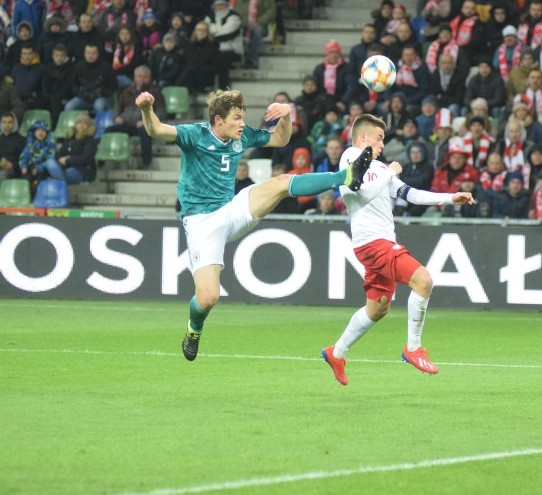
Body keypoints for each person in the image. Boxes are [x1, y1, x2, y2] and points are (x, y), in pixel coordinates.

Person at [136, 88, 373, 361]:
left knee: (281, 182)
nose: (241, 124)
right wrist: (146, 108)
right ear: (218, 120)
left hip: (231, 209)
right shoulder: (194, 135)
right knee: (208, 297)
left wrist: (286, 116)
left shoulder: (243, 134)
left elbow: (281, 140)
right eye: (236, 118)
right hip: (202, 222)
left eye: (242, 117)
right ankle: (194, 327)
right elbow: (156, 130)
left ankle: (346, 175)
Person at [321, 114, 476, 385]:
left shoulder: (380, 168)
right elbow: (362, 193)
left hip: (378, 242)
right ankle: (413, 348)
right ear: (363, 138)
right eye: (379, 138)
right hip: (372, 242)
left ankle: (337, 352)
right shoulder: (350, 157)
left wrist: (450, 198)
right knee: (423, 280)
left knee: (378, 308)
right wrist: (390, 171)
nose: (382, 145)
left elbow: (411, 194)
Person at [104, 65, 163, 168]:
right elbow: (117, 108)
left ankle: (146, 162)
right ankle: (103, 161)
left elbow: (161, 112)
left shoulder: (155, 92)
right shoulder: (127, 91)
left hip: (144, 125)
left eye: (144, 77)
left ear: (149, 78)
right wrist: (117, 117)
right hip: (126, 124)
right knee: (109, 130)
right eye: (139, 76)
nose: (141, 79)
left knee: (145, 133)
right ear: (135, 77)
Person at [0, 112, 26, 181]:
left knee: (2, 175)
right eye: (4, 122)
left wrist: (13, 165)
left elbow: (25, 160)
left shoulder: (21, 140)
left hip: (13, 170)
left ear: (15, 124)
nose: (7, 125)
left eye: (10, 122)